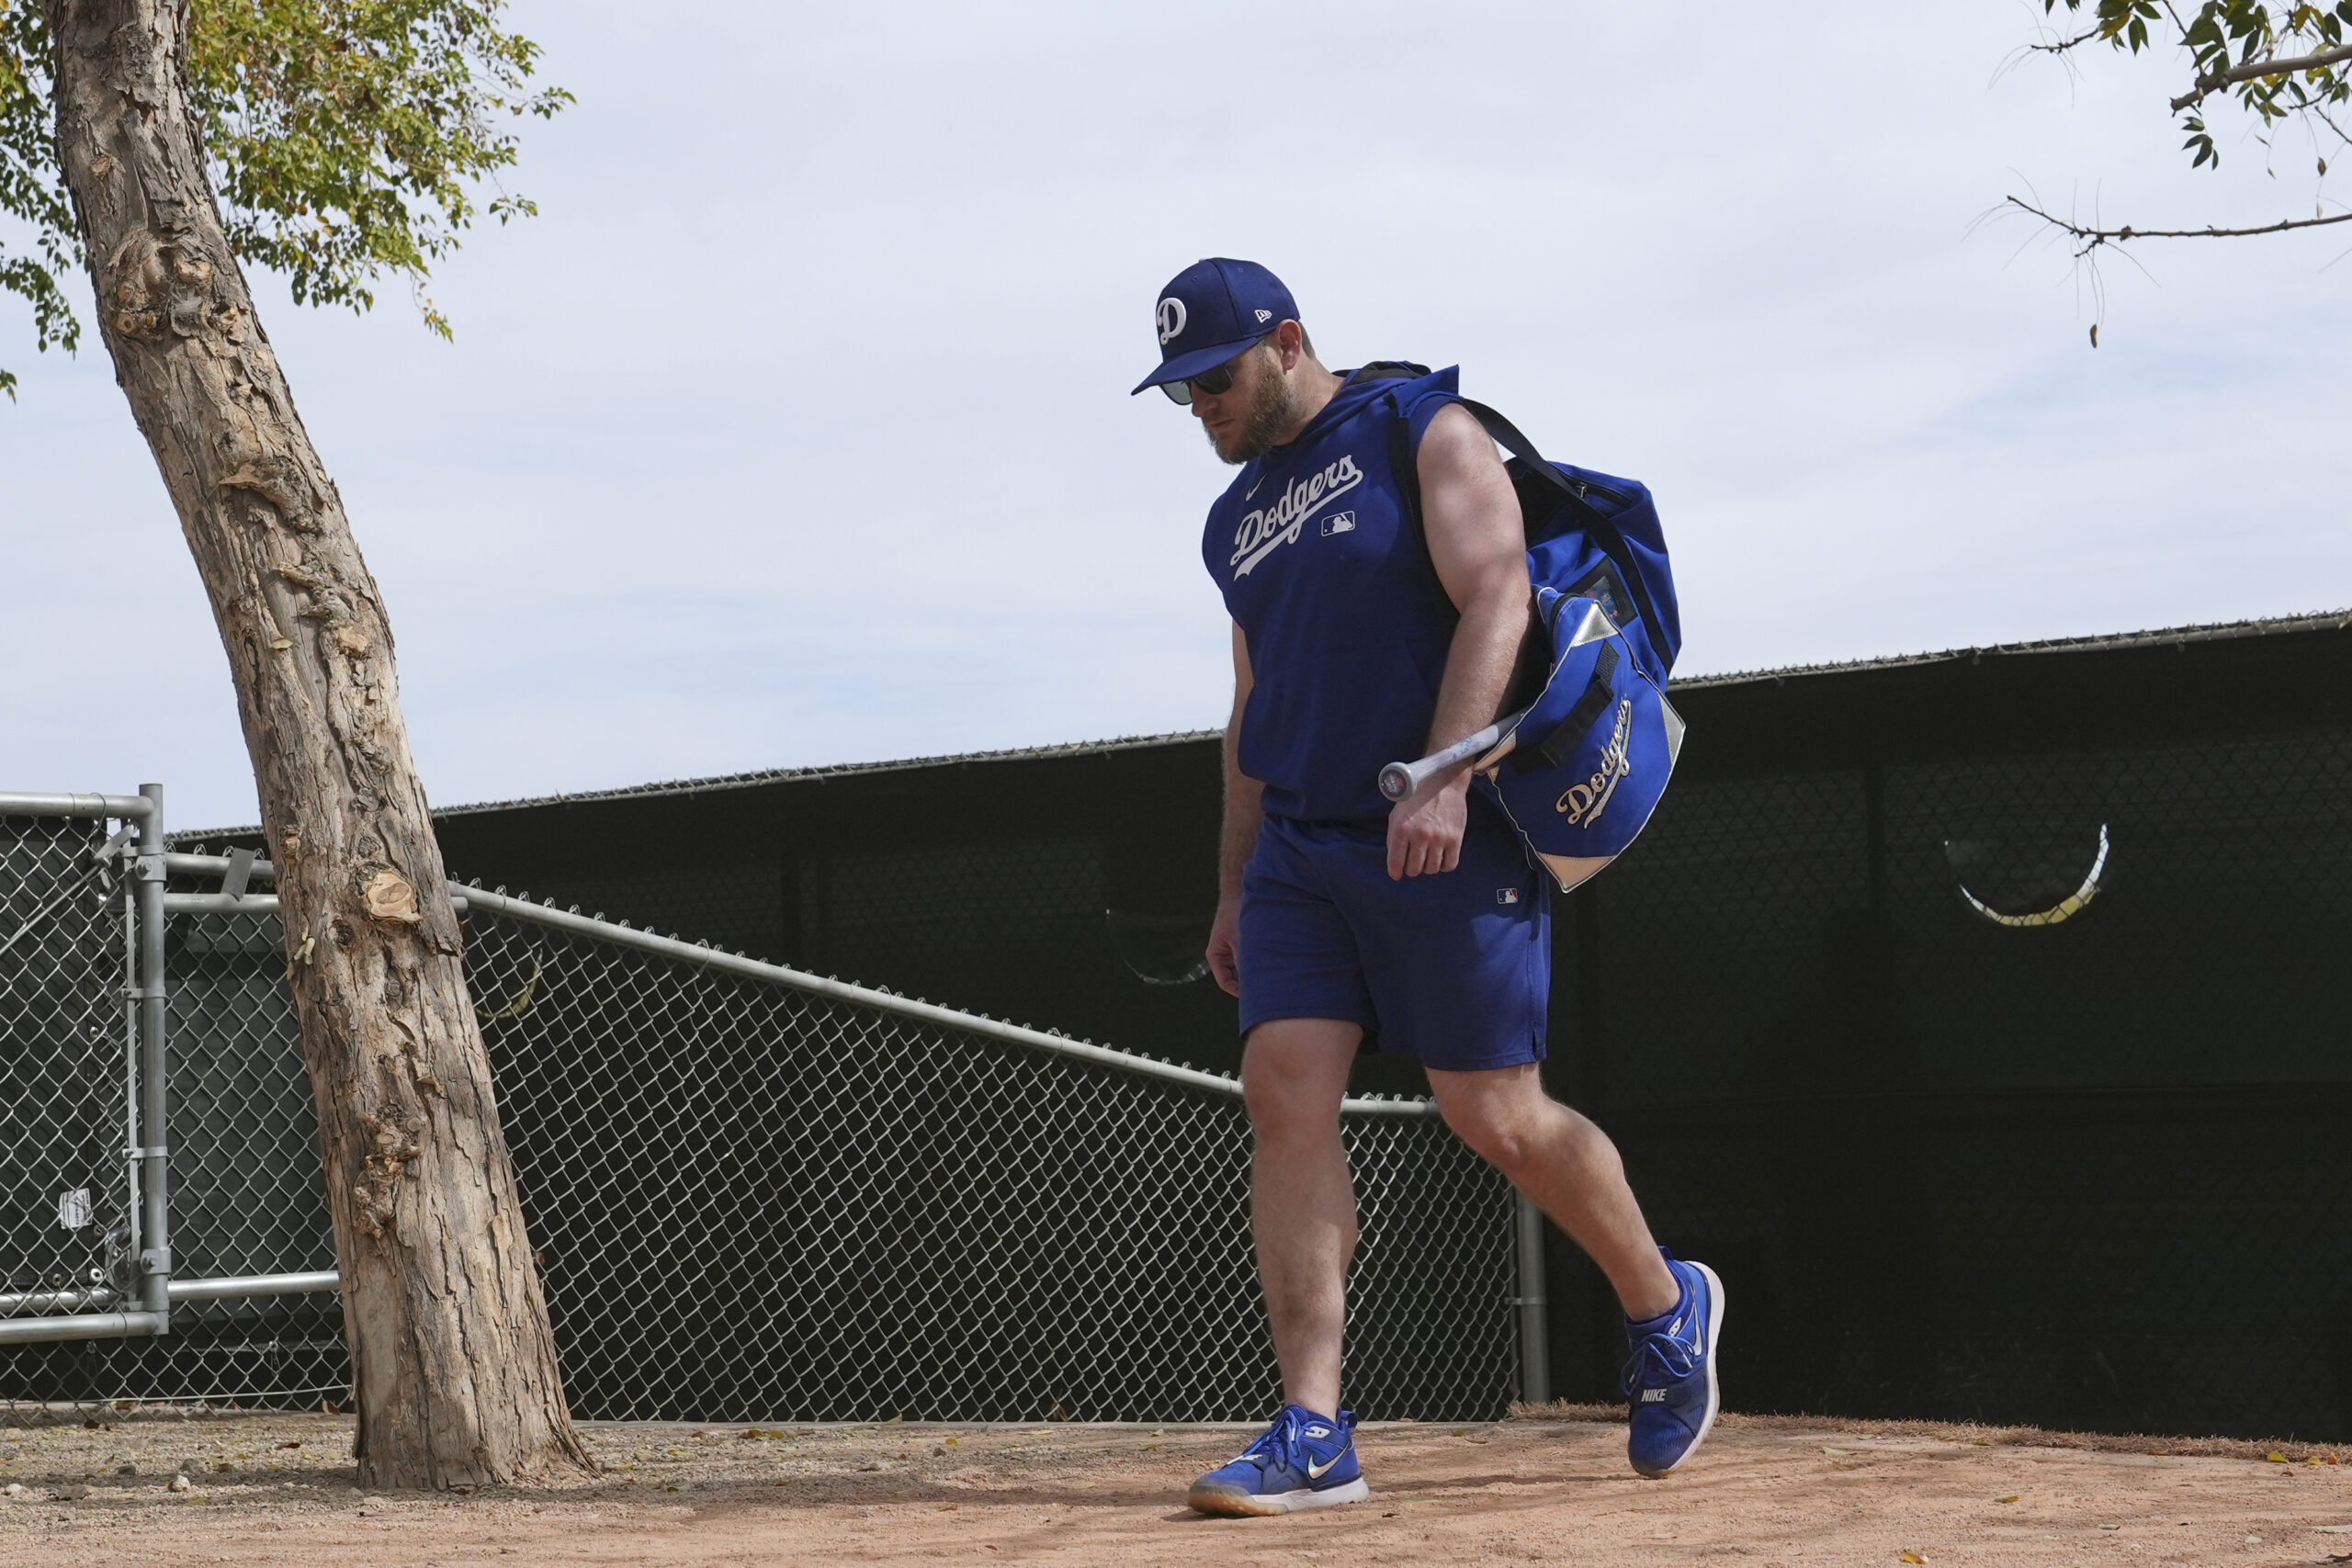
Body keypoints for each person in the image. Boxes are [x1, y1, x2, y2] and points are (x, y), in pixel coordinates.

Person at [1131, 258, 1724, 1517]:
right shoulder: (1231, 524)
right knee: (1282, 1091)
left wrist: (1448, 774)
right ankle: (1312, 1427)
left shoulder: (1422, 426)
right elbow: (1250, 706)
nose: (1204, 410)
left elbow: (1498, 589)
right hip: (1301, 844)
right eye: (1182, 394)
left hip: (1447, 823)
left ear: (1287, 342)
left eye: (1217, 380)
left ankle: (1668, 1307)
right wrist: (1235, 886)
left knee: (1493, 1113)